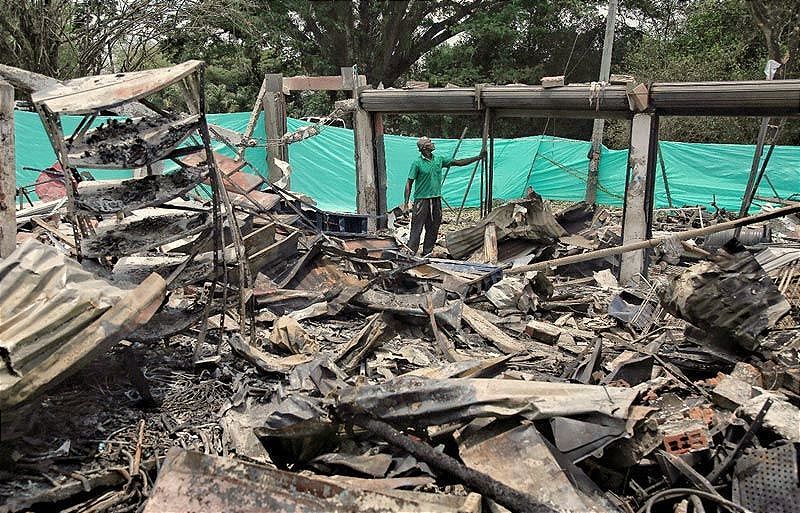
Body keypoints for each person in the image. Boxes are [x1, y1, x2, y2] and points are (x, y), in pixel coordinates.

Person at [403, 136, 484, 256]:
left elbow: (458, 162)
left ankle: (427, 252)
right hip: (422, 200)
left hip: (436, 199)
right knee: (417, 228)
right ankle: (410, 253)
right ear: (424, 147)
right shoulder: (417, 163)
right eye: (430, 142)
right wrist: (406, 204)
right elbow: (409, 183)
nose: (432, 143)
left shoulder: (439, 160)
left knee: (434, 226)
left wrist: (478, 157)